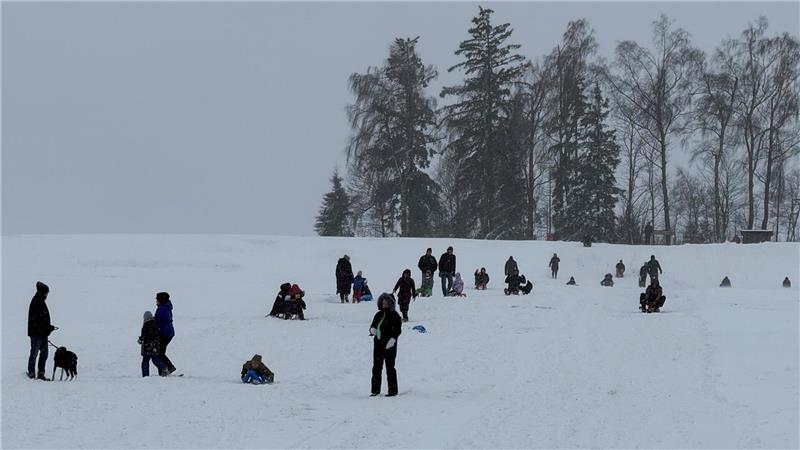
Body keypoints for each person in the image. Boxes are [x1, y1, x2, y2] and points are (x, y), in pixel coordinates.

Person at [369, 293, 402, 397]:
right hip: (378, 344)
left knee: (390, 367)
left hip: (389, 345)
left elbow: (397, 330)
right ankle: (375, 390)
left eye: (386, 303)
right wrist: (372, 329)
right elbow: (373, 325)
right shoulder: (378, 315)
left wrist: (393, 339)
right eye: (383, 303)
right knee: (376, 367)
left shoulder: (395, 315)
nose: (384, 305)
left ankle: (393, 391)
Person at [27, 281, 55, 380]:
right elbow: (37, 320)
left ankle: (41, 372)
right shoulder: (36, 302)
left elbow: (42, 320)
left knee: (44, 353)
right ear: (42, 292)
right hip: (36, 333)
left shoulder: (40, 301)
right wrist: (47, 328)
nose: (47, 295)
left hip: (42, 333)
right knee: (34, 353)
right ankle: (31, 373)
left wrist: (48, 327)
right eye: (46, 293)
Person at [155, 292, 177, 375]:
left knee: (159, 353)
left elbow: (158, 321)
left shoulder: (162, 309)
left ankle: (167, 369)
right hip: (169, 333)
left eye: (157, 299)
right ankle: (168, 368)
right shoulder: (166, 307)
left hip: (165, 333)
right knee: (160, 352)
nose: (156, 301)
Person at [139, 311, 166, 377]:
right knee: (155, 359)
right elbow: (159, 334)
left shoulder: (146, 325)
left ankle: (145, 375)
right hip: (155, 346)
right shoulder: (155, 324)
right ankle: (164, 369)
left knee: (145, 361)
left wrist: (140, 339)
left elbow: (143, 335)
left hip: (147, 346)